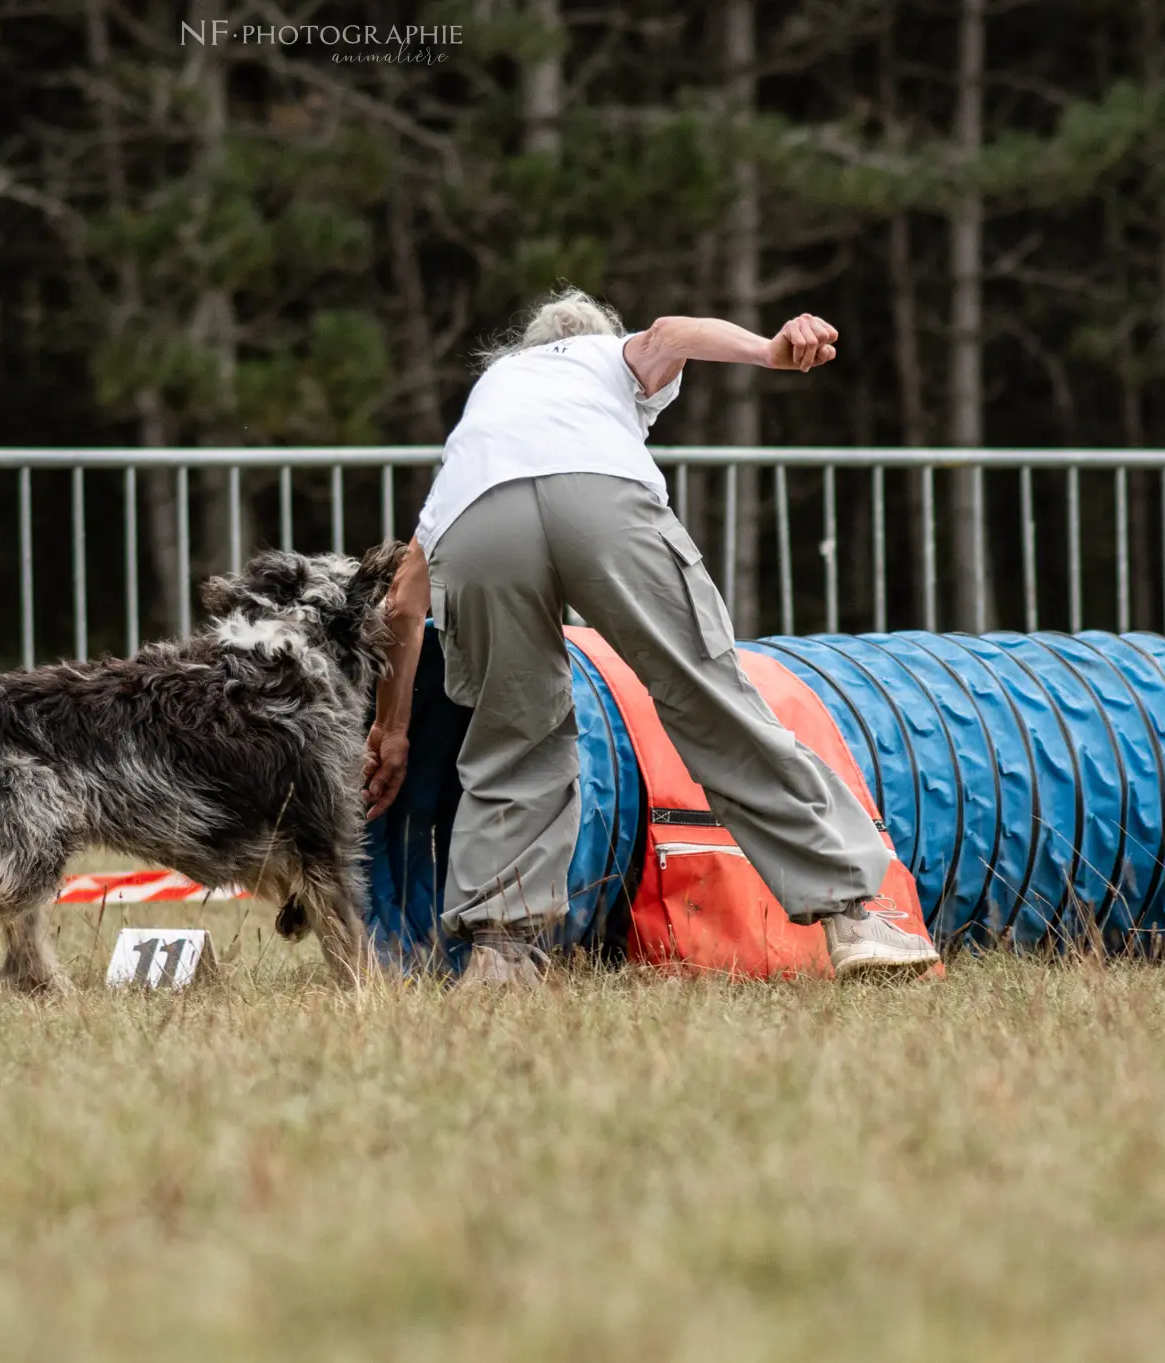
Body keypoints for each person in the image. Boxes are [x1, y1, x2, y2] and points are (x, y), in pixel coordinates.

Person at [362, 288, 940, 987]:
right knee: (707, 697)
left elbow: (401, 602)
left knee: (511, 734)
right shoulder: (609, 358)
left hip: (478, 519)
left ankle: (501, 954)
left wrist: (392, 732)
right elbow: (669, 332)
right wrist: (767, 350)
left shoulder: (493, 397)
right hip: (600, 494)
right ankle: (854, 913)